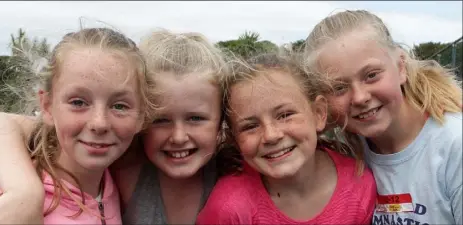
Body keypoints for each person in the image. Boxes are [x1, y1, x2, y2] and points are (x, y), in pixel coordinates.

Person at [0, 29, 230, 225]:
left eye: (196, 118)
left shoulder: (233, 164)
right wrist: (23, 191)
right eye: (161, 119)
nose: (99, 123)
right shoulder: (123, 162)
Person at [302, 9, 462, 225]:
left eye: (371, 75)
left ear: (400, 67)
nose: (359, 97)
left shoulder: (454, 145)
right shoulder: (344, 150)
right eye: (339, 88)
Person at [0, 27, 152, 224]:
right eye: (78, 103)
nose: (99, 123)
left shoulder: (114, 179)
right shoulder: (11, 208)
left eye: (119, 106)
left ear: (142, 116)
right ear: (47, 106)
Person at [197, 52, 377, 224]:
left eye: (285, 115)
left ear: (319, 113)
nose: (271, 136)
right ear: (234, 139)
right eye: (250, 126)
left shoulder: (359, 183)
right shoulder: (229, 209)